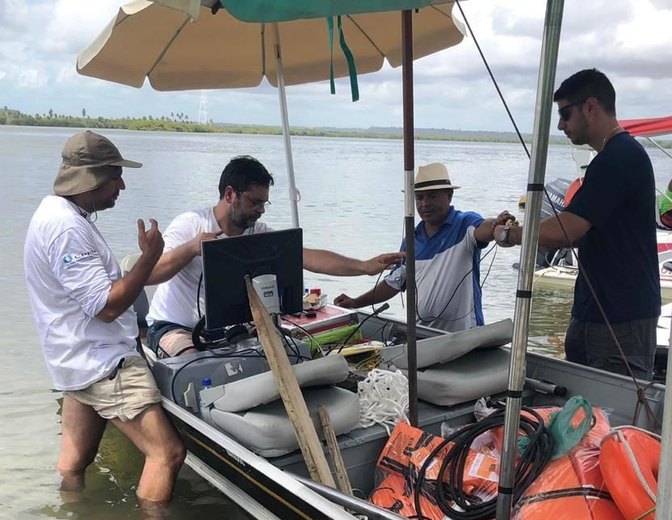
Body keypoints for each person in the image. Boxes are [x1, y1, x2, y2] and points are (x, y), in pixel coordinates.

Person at [23, 131, 185, 506]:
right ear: (92, 178)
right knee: (167, 453)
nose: (122, 185)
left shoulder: (57, 213)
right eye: (115, 176)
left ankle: (73, 511)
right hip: (101, 362)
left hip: (74, 359)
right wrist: (149, 258)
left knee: (73, 464)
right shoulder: (66, 228)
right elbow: (106, 307)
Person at [146, 155, 404, 357]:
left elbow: (307, 257)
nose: (260, 211)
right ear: (229, 194)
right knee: (196, 364)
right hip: (174, 326)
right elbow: (151, 274)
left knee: (288, 352)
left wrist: (364, 266)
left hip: (225, 329)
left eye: (264, 204)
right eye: (254, 202)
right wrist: (191, 248)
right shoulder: (191, 224)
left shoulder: (256, 232)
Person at [494, 68, 661, 379]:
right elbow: (579, 230)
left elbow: (568, 229)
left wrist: (511, 234)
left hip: (622, 318)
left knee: (615, 415)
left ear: (591, 107)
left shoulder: (621, 157)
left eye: (565, 114)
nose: (560, 125)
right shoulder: (607, 160)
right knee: (580, 410)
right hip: (593, 311)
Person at [333, 163, 509, 332]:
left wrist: (495, 225)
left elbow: (482, 230)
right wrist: (355, 302)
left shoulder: (464, 224)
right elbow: (394, 282)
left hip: (465, 334)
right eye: (419, 197)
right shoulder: (411, 239)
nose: (425, 203)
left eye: (432, 196)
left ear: (449, 196)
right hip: (422, 335)